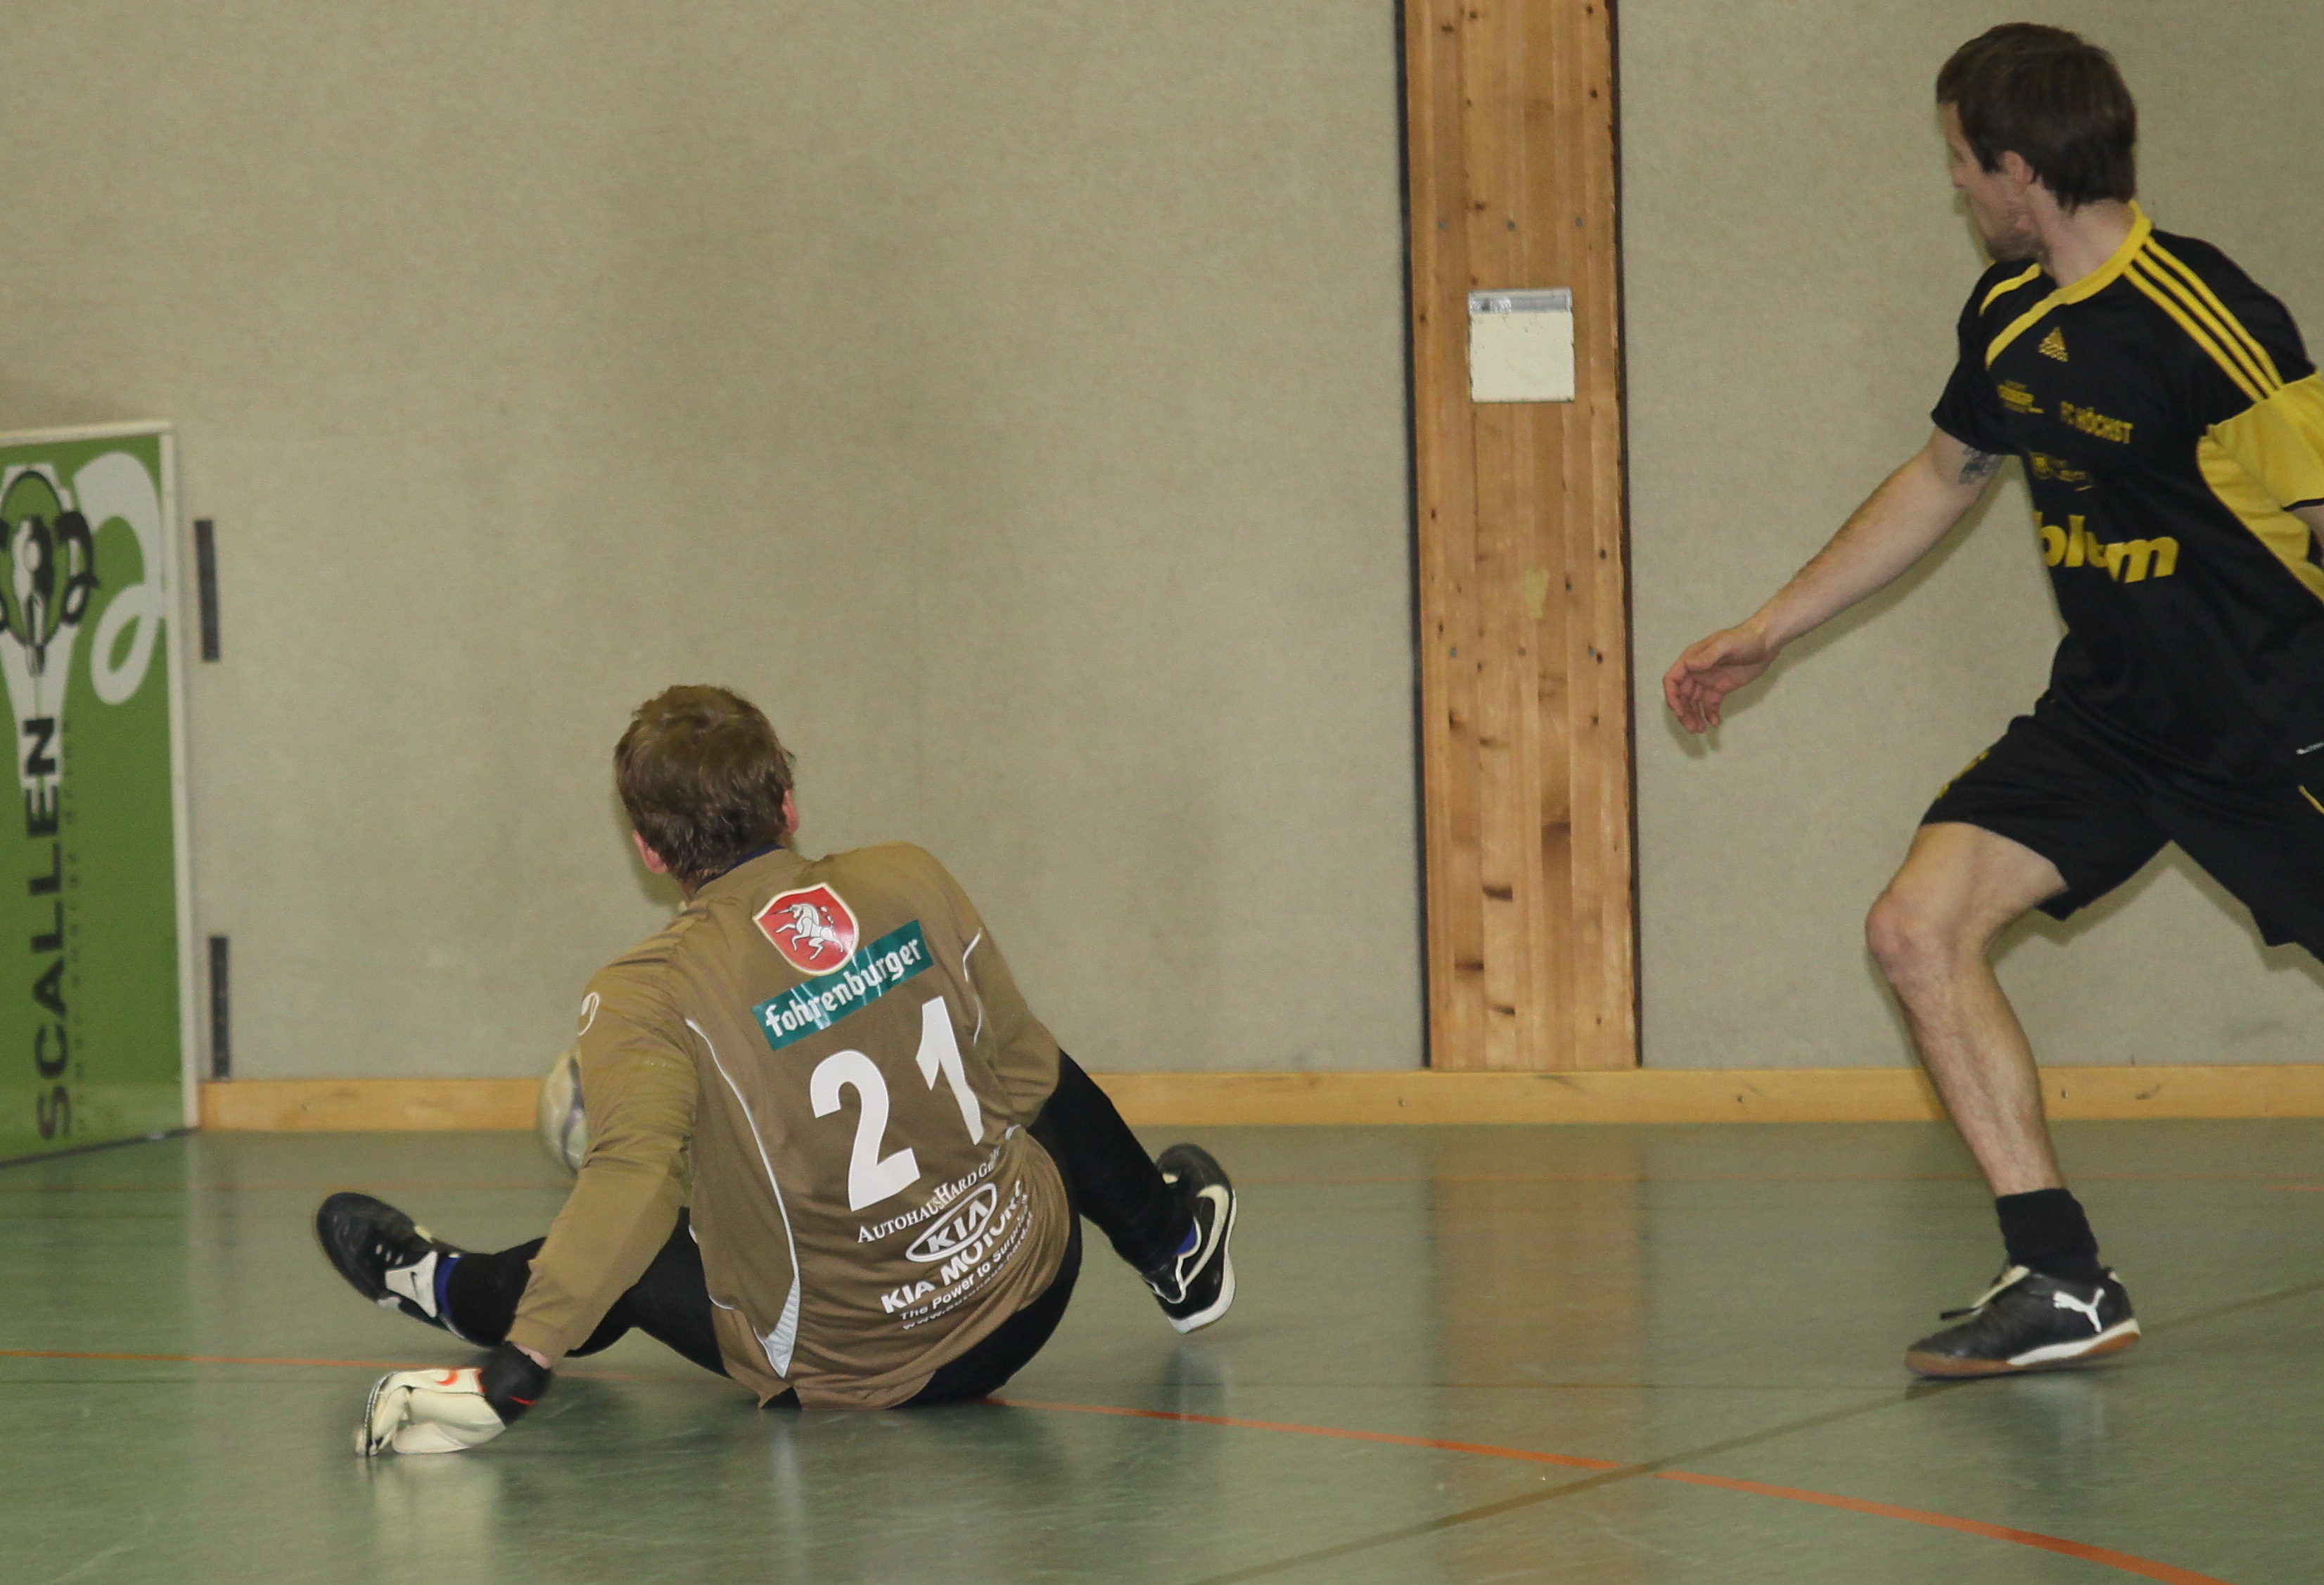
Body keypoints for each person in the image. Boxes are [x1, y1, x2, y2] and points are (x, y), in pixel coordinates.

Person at [1664, 24, 2324, 1377]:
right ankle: (2061, 1276)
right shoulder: (2009, 313)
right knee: (1916, 929)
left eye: (1965, 163)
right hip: (2110, 720)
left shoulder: (2212, 319)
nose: (1957, 185)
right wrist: (1768, 628)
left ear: (2022, 170)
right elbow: (1942, 478)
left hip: (2272, 721)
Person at [315, 685, 1237, 1453]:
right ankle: (1171, 1248)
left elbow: (629, 1182)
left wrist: (518, 1370)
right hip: (1028, 1285)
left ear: (650, 851)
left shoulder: (646, 993)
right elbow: (1028, 1078)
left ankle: (439, 1283)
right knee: (1022, 1053)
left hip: (856, 1373)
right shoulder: (909, 876)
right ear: (788, 803)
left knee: (637, 1248)